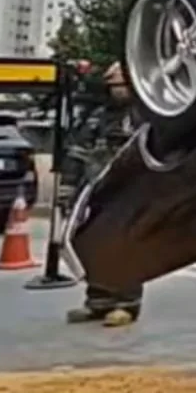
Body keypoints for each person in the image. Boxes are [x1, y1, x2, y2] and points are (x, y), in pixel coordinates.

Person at [64, 62, 145, 328]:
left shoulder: (144, 116)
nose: (116, 91)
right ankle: (98, 301)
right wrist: (68, 187)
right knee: (92, 244)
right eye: (112, 86)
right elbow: (78, 151)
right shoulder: (98, 116)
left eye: (120, 85)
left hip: (129, 191)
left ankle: (126, 303)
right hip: (95, 189)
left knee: (126, 247)